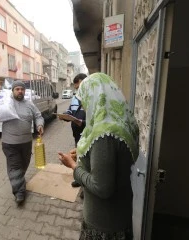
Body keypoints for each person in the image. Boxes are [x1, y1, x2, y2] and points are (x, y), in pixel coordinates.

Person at [58, 73, 139, 239]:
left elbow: (101, 188)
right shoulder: (119, 122)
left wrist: (74, 166)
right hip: (118, 214)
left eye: (85, 99)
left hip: (104, 223)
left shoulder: (105, 135)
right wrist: (83, 153)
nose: (85, 106)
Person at [0, 80, 44, 205]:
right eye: (17, 89)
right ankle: (19, 192)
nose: (20, 91)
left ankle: (19, 181)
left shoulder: (29, 104)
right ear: (12, 91)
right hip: (10, 143)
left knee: (24, 164)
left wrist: (39, 124)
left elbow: (38, 116)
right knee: (15, 167)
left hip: (26, 142)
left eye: (22, 89)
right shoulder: (6, 103)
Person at [58, 73, 87, 188]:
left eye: (79, 88)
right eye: (76, 88)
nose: (78, 91)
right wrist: (65, 115)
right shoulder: (75, 98)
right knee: (78, 157)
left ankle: (86, 186)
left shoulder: (93, 98)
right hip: (77, 133)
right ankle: (79, 179)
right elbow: (71, 110)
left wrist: (82, 122)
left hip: (88, 134)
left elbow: (97, 120)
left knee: (88, 159)